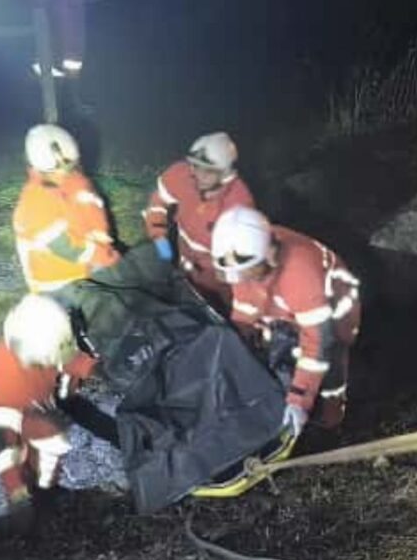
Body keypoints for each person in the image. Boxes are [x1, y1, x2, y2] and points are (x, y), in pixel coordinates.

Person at [211, 207, 361, 433]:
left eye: (245, 273)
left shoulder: (299, 274)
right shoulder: (244, 252)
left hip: (333, 315)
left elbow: (319, 343)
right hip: (286, 310)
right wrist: (234, 348)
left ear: (270, 255)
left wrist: (299, 400)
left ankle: (331, 422)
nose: (238, 280)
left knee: (330, 366)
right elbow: (245, 306)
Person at [0, 294, 97, 517]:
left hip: (33, 397)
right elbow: (2, 444)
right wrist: (16, 491)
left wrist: (99, 367)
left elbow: (70, 358)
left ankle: (45, 492)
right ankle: (41, 499)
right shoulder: (4, 386)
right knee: (33, 451)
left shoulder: (43, 336)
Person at [144, 132, 255, 309]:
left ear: (225, 173)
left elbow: (243, 264)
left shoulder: (239, 205)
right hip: (183, 264)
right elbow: (158, 202)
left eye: (208, 171)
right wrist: (158, 236)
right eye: (195, 166)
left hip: (217, 280)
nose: (198, 174)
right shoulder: (182, 175)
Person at [13, 124, 119, 295]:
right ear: (38, 169)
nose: (63, 173)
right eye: (55, 171)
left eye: (68, 167)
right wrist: (103, 256)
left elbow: (93, 210)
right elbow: (66, 247)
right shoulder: (34, 201)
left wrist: (102, 240)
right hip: (57, 282)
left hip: (90, 266)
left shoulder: (77, 181)